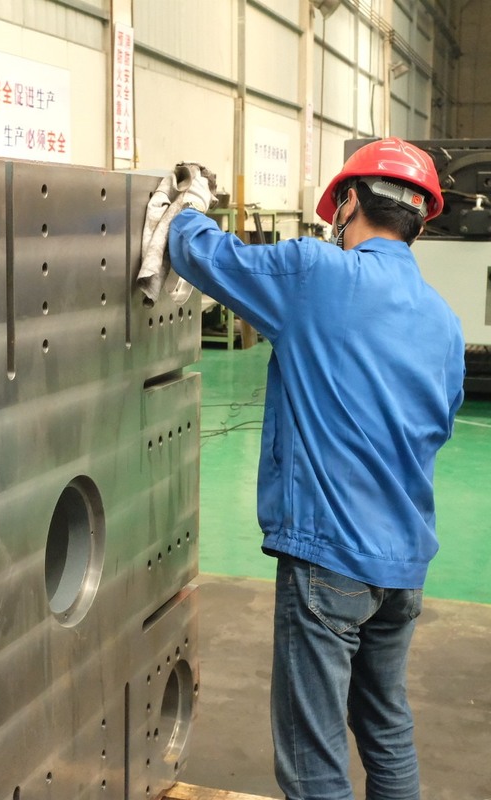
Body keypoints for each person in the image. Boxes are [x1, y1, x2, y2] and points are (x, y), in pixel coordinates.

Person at [167, 138, 465, 800]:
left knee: (313, 757)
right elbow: (439, 426)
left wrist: (185, 207)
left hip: (329, 557)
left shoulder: (317, 275)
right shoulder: (444, 323)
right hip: (403, 562)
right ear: (419, 222)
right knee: (386, 728)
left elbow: (206, 256)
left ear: (349, 201)